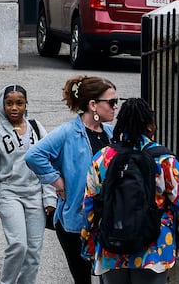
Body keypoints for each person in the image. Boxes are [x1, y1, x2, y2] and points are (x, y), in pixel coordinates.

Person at [80, 98, 179, 283]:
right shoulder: (165, 160)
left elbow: (89, 206)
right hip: (154, 247)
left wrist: (88, 244)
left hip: (112, 247)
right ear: (150, 127)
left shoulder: (102, 158)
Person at [25, 74, 118, 284]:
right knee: (82, 279)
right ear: (93, 105)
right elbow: (33, 155)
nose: (115, 107)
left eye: (116, 102)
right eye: (111, 102)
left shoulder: (112, 133)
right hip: (75, 221)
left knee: (107, 277)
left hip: (106, 220)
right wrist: (57, 181)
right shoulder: (68, 132)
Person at [0, 85, 54, 284]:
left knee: (33, 252)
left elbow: (48, 164)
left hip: (35, 196)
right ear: (2, 105)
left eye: (19, 103)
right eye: (9, 103)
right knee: (18, 245)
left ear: (26, 104)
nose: (14, 108)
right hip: (9, 194)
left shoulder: (37, 128)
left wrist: (49, 197)